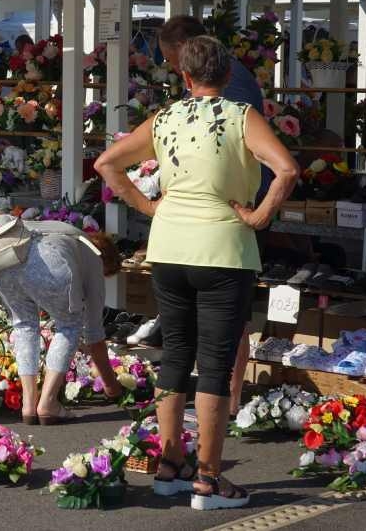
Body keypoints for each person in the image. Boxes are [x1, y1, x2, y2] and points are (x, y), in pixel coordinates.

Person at [95, 35, 298, 510]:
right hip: (223, 248)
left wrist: (149, 206)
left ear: (184, 77)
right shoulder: (241, 116)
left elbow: (108, 163)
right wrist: (259, 215)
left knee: (175, 353)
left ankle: (170, 467)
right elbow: (286, 170)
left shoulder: (165, 117)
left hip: (168, 246)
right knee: (215, 362)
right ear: (228, 76)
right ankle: (208, 478)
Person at [158, 15, 266, 415]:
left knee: (211, 333)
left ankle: (229, 402)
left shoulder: (230, 97)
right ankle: (215, 428)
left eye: (174, 61)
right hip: (219, 221)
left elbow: (108, 163)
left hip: (230, 212)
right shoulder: (225, 85)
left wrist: (258, 212)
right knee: (208, 333)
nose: (173, 70)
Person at [0, 217, 124, 425]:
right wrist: (112, 386)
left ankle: (29, 404)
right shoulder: (93, 257)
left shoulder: (58, 230)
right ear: (107, 262)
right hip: (48, 262)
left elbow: (3, 220)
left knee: (24, 325)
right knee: (68, 325)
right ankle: (48, 402)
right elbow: (94, 334)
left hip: (1, 260)